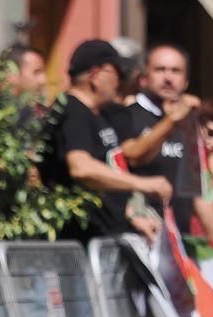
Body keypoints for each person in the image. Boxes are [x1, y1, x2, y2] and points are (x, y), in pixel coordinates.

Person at [38, 40, 173, 245]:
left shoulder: (99, 114)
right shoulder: (71, 112)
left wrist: (132, 216)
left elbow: (109, 170)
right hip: (77, 246)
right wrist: (143, 184)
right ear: (95, 75)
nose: (119, 81)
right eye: (115, 73)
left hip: (105, 240)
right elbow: (81, 167)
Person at [117, 44, 213, 243]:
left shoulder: (190, 123)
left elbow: (197, 188)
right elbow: (132, 156)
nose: (168, 77)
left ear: (185, 81)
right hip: (138, 238)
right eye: (160, 70)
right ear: (143, 77)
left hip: (179, 241)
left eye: (176, 71)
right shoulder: (126, 114)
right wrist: (171, 121)